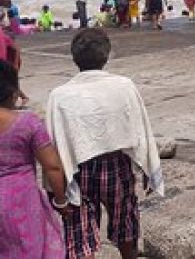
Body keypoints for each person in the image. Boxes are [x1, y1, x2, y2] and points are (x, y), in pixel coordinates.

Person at [46, 28, 164, 259]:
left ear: (74, 58)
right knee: (125, 219)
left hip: (79, 169)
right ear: (106, 55)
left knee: (79, 230)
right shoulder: (124, 85)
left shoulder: (59, 95)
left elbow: (56, 146)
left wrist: (58, 194)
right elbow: (140, 128)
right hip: (117, 162)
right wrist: (148, 168)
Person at [0, 60, 68, 258]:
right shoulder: (28, 123)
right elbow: (52, 167)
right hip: (21, 202)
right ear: (13, 91)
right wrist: (61, 201)